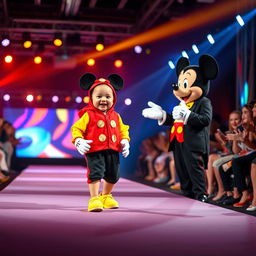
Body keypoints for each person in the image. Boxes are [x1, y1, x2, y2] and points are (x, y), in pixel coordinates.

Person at [142, 54, 218, 202]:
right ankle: (187, 192)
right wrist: (162, 115)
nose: (180, 89)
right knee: (182, 168)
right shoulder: (181, 104)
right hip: (178, 141)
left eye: (186, 84)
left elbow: (205, 120)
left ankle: (200, 193)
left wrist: (188, 115)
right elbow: (175, 119)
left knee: (194, 168)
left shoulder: (203, 102)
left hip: (194, 141)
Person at [71, 73, 130, 212]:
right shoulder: (88, 115)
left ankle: (106, 195)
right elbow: (77, 128)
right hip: (95, 150)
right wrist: (78, 140)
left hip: (113, 149)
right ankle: (94, 198)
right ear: (91, 98)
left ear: (113, 99)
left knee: (113, 174)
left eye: (108, 97)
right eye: (99, 96)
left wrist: (125, 141)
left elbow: (123, 129)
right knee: (95, 173)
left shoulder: (116, 115)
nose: (103, 100)